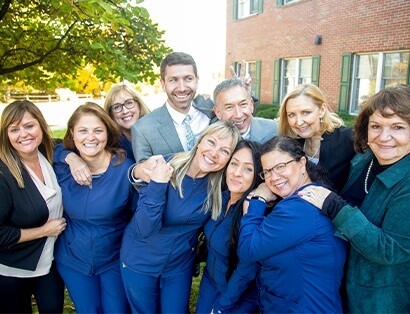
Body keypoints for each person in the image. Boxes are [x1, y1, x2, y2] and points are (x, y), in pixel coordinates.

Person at [299, 85, 410, 313]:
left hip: (379, 298)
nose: (384, 136)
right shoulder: (364, 160)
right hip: (341, 283)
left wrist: (336, 207)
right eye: (376, 126)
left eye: (398, 127)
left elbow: (391, 250)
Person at [120, 121, 241, 313]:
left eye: (225, 151)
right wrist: (158, 185)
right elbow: (145, 228)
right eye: (211, 142)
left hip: (179, 265)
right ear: (199, 142)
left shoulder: (219, 186)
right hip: (140, 260)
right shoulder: (165, 167)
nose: (214, 153)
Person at [237, 136, 347, 313]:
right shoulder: (311, 195)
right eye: (267, 172)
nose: (273, 177)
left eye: (281, 167)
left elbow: (248, 249)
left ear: (302, 163)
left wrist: (257, 199)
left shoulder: (298, 208)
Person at [53, 102, 139, 313]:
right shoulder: (63, 168)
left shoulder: (124, 169)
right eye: (83, 130)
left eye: (98, 131)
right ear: (72, 134)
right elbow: (45, 145)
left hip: (113, 258)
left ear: (107, 134)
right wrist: (69, 156)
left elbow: (137, 216)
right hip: (73, 259)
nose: (90, 137)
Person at [0, 100, 66, 313]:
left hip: (49, 262)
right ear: (6, 135)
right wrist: (44, 231)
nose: (24, 134)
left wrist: (73, 158)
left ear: (40, 126)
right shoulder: (3, 174)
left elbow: (64, 145)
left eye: (29, 126)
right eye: (14, 129)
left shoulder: (48, 153)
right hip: (12, 270)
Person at [196, 140, 262, 314]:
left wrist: (222, 306)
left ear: (258, 175)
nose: (237, 173)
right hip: (211, 280)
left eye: (248, 168)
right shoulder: (220, 198)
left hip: (239, 292)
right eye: (234, 164)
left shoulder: (253, 213)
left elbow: (247, 269)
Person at [131, 51, 215, 164]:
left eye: (188, 79)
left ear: (197, 80)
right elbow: (143, 176)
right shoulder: (143, 130)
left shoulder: (212, 111)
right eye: (173, 80)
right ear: (163, 84)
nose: (181, 88)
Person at [64, 80, 151, 186]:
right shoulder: (110, 142)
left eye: (129, 103)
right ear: (110, 114)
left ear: (138, 104)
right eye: (117, 107)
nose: (125, 111)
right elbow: (57, 147)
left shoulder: (156, 130)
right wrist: (70, 157)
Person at [278, 83, 355, 192]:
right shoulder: (291, 144)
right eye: (292, 115)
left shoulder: (347, 139)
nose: (299, 122)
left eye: (306, 112)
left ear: (322, 110)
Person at [213, 77, 278, 144]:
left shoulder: (274, 130)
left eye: (243, 104)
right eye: (229, 107)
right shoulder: (210, 139)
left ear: (251, 105)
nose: (238, 115)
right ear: (218, 112)